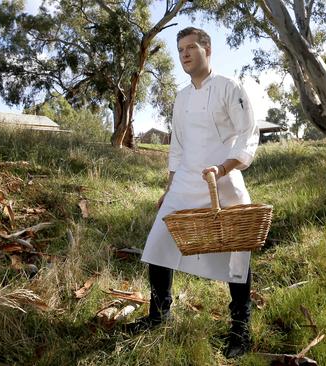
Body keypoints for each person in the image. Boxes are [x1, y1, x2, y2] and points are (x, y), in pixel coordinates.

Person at [123, 27, 260, 359]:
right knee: (158, 243)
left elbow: (247, 132)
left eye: (190, 48)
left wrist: (224, 168)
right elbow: (178, 146)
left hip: (223, 181)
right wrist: (168, 188)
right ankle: (159, 315)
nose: (183, 54)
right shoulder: (182, 98)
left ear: (207, 49)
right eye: (180, 49)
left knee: (237, 252)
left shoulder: (230, 87)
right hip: (185, 181)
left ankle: (240, 328)